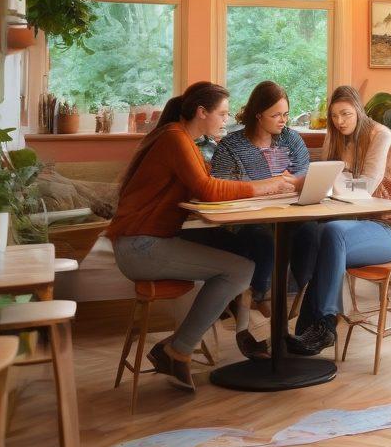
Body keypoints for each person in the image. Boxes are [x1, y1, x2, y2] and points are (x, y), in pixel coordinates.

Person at [108, 82, 295, 391]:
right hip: (141, 247)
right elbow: (208, 190)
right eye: (221, 114)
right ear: (201, 112)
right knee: (240, 268)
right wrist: (269, 186)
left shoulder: (182, 140)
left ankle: (196, 339)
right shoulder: (175, 139)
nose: (226, 120)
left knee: (246, 254)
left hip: (145, 242)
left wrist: (264, 185)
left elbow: (209, 184)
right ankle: (178, 350)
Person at [182, 80, 310, 359]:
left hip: (290, 214)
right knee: (263, 238)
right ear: (257, 114)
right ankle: (260, 301)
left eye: (286, 114)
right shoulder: (231, 146)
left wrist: (293, 184)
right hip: (246, 221)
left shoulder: (292, 139)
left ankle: (298, 306)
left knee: (313, 232)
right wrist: (269, 186)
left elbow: (304, 177)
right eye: (276, 115)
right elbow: (223, 187)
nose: (283, 121)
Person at [288, 85, 391, 355]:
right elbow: (330, 185)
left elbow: (367, 188)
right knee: (310, 232)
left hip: (390, 227)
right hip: (356, 225)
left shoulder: (379, 135)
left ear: (359, 110)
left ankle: (323, 325)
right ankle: (305, 334)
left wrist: (333, 176)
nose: (340, 121)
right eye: (334, 116)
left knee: (332, 232)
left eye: (346, 114)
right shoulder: (336, 137)